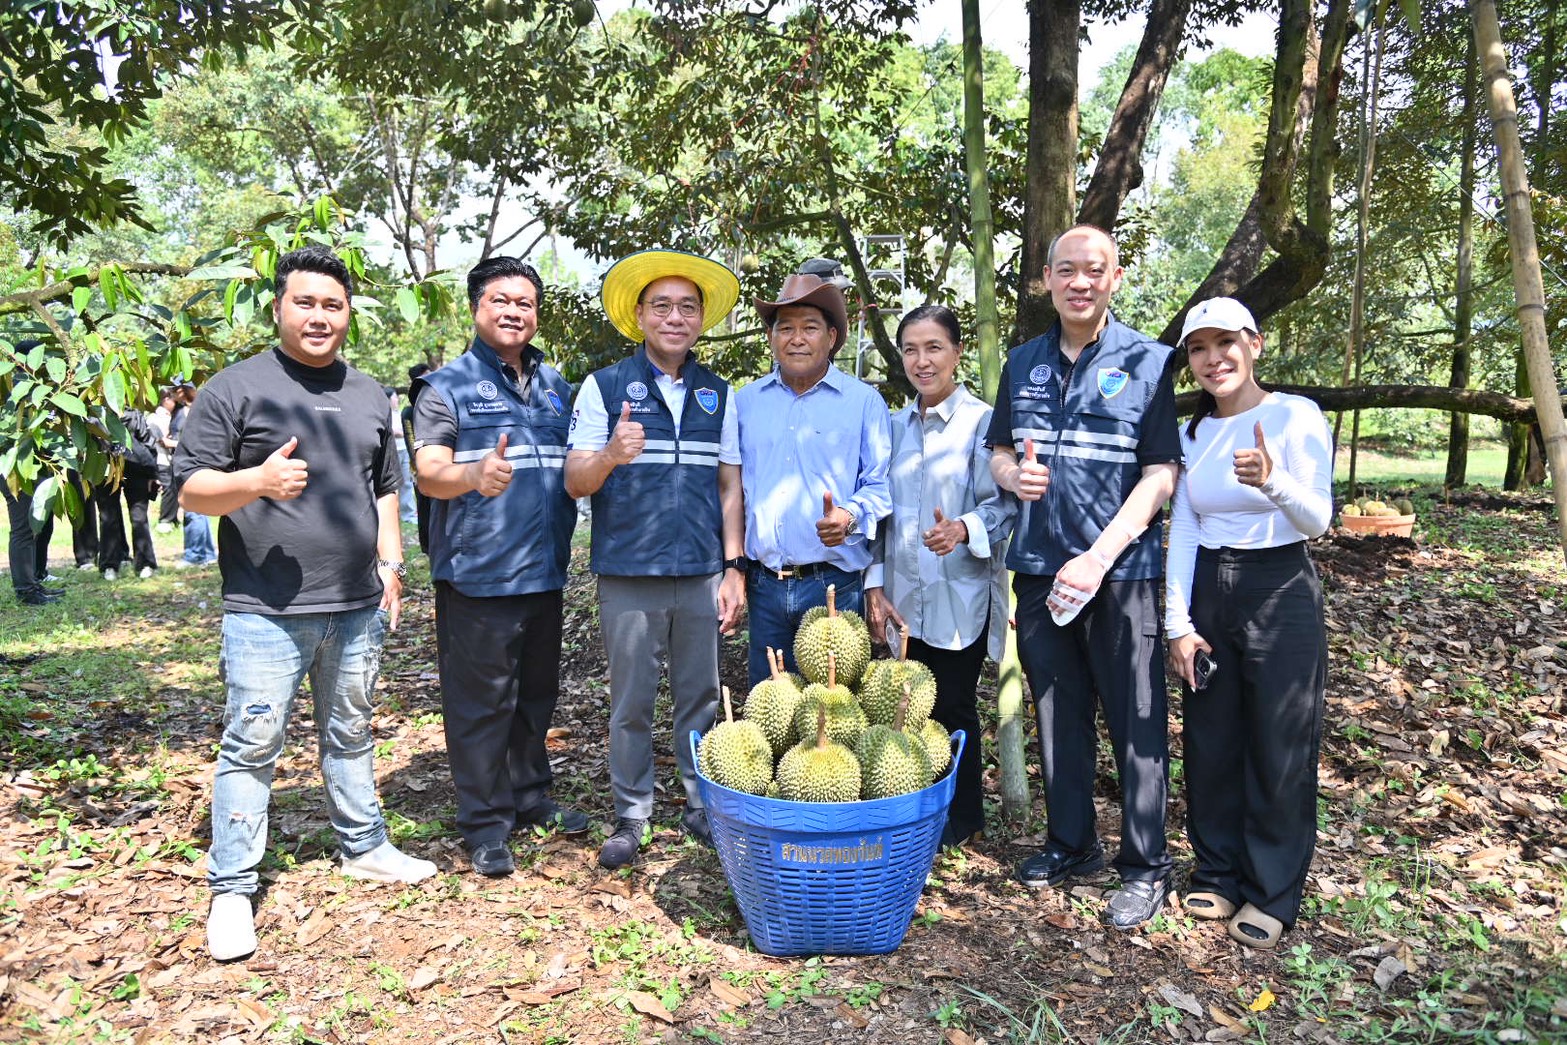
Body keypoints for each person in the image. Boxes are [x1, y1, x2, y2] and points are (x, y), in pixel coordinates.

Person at [174, 245, 436, 962]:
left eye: (333, 305)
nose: (319, 316)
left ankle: (365, 845)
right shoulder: (236, 388)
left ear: (347, 313)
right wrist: (255, 480)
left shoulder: (368, 391)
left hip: (355, 601)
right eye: (305, 302)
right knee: (253, 744)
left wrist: (391, 562)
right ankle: (231, 888)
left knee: (350, 730)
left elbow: (384, 485)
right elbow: (191, 486)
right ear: (279, 306)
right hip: (265, 607)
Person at [987, 224, 1180, 929]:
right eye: (1065, 269)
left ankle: (1144, 865)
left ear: (1115, 278)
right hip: (1038, 569)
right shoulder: (1021, 363)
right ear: (1044, 277)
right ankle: (1071, 844)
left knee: (1135, 719)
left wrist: (1100, 555)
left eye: (1093, 270)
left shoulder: (1150, 362)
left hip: (1119, 571)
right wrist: (1015, 475)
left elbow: (1160, 473)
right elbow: (999, 452)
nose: (1079, 282)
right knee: (1055, 713)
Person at [565, 250, 747, 869]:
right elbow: (575, 480)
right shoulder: (606, 386)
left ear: (701, 321)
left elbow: (729, 487)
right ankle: (632, 812)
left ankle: (700, 804)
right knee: (632, 700)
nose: (675, 316)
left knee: (700, 697)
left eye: (687, 307)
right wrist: (612, 452)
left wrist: (733, 566)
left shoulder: (719, 396)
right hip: (627, 573)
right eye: (662, 305)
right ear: (640, 314)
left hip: (699, 573)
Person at [1163, 297, 1332, 950]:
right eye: (1198, 348)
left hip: (1280, 585)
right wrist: (1178, 622)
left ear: (1254, 344)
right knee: (1211, 735)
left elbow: (1317, 519)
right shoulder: (1193, 434)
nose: (1212, 358)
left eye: (1224, 343)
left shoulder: (1293, 415)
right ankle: (1219, 869)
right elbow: (1184, 528)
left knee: (1278, 739)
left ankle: (1270, 890)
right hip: (1211, 586)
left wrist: (1273, 481)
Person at [412, 256, 587, 878]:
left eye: (527, 303)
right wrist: (473, 475)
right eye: (501, 301)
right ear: (476, 308)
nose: (515, 312)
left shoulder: (557, 387)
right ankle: (485, 822)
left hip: (545, 568)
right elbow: (428, 472)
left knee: (535, 695)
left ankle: (530, 794)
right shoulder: (446, 387)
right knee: (481, 703)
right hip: (478, 573)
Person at [864, 306, 1014, 848]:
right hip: (904, 596)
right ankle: (912, 810)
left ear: (957, 352)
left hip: (959, 595)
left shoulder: (983, 422)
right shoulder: (892, 428)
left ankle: (961, 816)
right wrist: (874, 586)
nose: (922, 361)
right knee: (903, 704)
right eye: (910, 349)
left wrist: (963, 528)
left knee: (952, 707)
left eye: (934, 348)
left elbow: (1006, 505)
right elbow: (880, 515)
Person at [735, 269, 892, 686]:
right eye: (784, 328)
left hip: (833, 587)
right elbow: (732, 490)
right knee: (770, 712)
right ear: (771, 338)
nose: (796, 338)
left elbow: (879, 487)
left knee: (833, 715)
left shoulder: (863, 403)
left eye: (809, 328)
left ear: (832, 338)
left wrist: (850, 516)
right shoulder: (745, 404)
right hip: (765, 586)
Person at [95, 409, 160, 580]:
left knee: (139, 518)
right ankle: (110, 565)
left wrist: (153, 475)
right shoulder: (95, 413)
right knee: (108, 518)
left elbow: (148, 441)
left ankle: (146, 563)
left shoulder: (134, 414)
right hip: (104, 469)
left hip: (136, 468)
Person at [173, 379, 218, 567]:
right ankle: (207, 553)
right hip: (198, 463)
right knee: (200, 512)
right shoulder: (194, 408)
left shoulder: (193, 410)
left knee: (193, 511)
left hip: (194, 464)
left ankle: (194, 554)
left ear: (182, 391)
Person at [4, 483, 61, 605]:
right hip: (16, 472)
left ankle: (30, 584)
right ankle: (26, 591)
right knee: (23, 531)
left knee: (29, 531)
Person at [151, 388, 180, 532]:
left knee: (174, 489)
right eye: (173, 399)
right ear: (166, 400)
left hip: (169, 459)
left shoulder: (171, 417)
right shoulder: (155, 418)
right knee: (168, 488)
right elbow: (162, 441)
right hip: (161, 459)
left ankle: (172, 518)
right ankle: (165, 519)